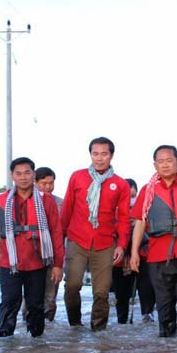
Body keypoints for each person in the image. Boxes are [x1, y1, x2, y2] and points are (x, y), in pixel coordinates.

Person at [0, 157, 64, 338]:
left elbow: (56, 233)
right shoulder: (1, 200)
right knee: (9, 303)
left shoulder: (46, 201)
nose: (23, 177)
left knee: (36, 305)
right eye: (18, 173)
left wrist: (58, 265)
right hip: (10, 263)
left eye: (27, 173)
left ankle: (36, 347)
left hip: (38, 262)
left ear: (33, 175)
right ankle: (6, 346)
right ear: (12, 176)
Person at [130, 145, 177, 337]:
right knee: (164, 305)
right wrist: (134, 252)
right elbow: (139, 222)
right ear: (154, 165)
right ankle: (167, 347)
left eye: (169, 160)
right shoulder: (147, 191)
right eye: (160, 161)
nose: (165, 165)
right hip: (158, 254)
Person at [60, 137, 131, 331]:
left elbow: (124, 219)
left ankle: (98, 332)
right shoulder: (77, 177)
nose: (99, 158)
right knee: (72, 286)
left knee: (101, 292)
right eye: (95, 154)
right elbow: (67, 209)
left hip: (105, 243)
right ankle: (75, 326)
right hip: (77, 240)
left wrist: (121, 245)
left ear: (112, 155)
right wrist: (60, 240)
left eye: (104, 154)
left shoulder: (121, 184)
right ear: (90, 154)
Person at [20, 166, 64, 323]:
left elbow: (63, 231)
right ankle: (28, 326)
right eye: (43, 183)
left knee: (50, 297)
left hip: (54, 256)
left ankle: (48, 329)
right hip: (31, 256)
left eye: (51, 183)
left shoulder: (60, 204)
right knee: (30, 296)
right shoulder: (25, 202)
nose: (48, 187)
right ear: (35, 182)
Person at [111, 179, 156, 324]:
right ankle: (121, 320)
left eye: (133, 196)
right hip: (120, 257)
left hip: (144, 255)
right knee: (122, 292)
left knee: (147, 287)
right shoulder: (112, 211)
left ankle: (148, 314)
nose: (131, 200)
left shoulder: (147, 208)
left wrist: (139, 224)